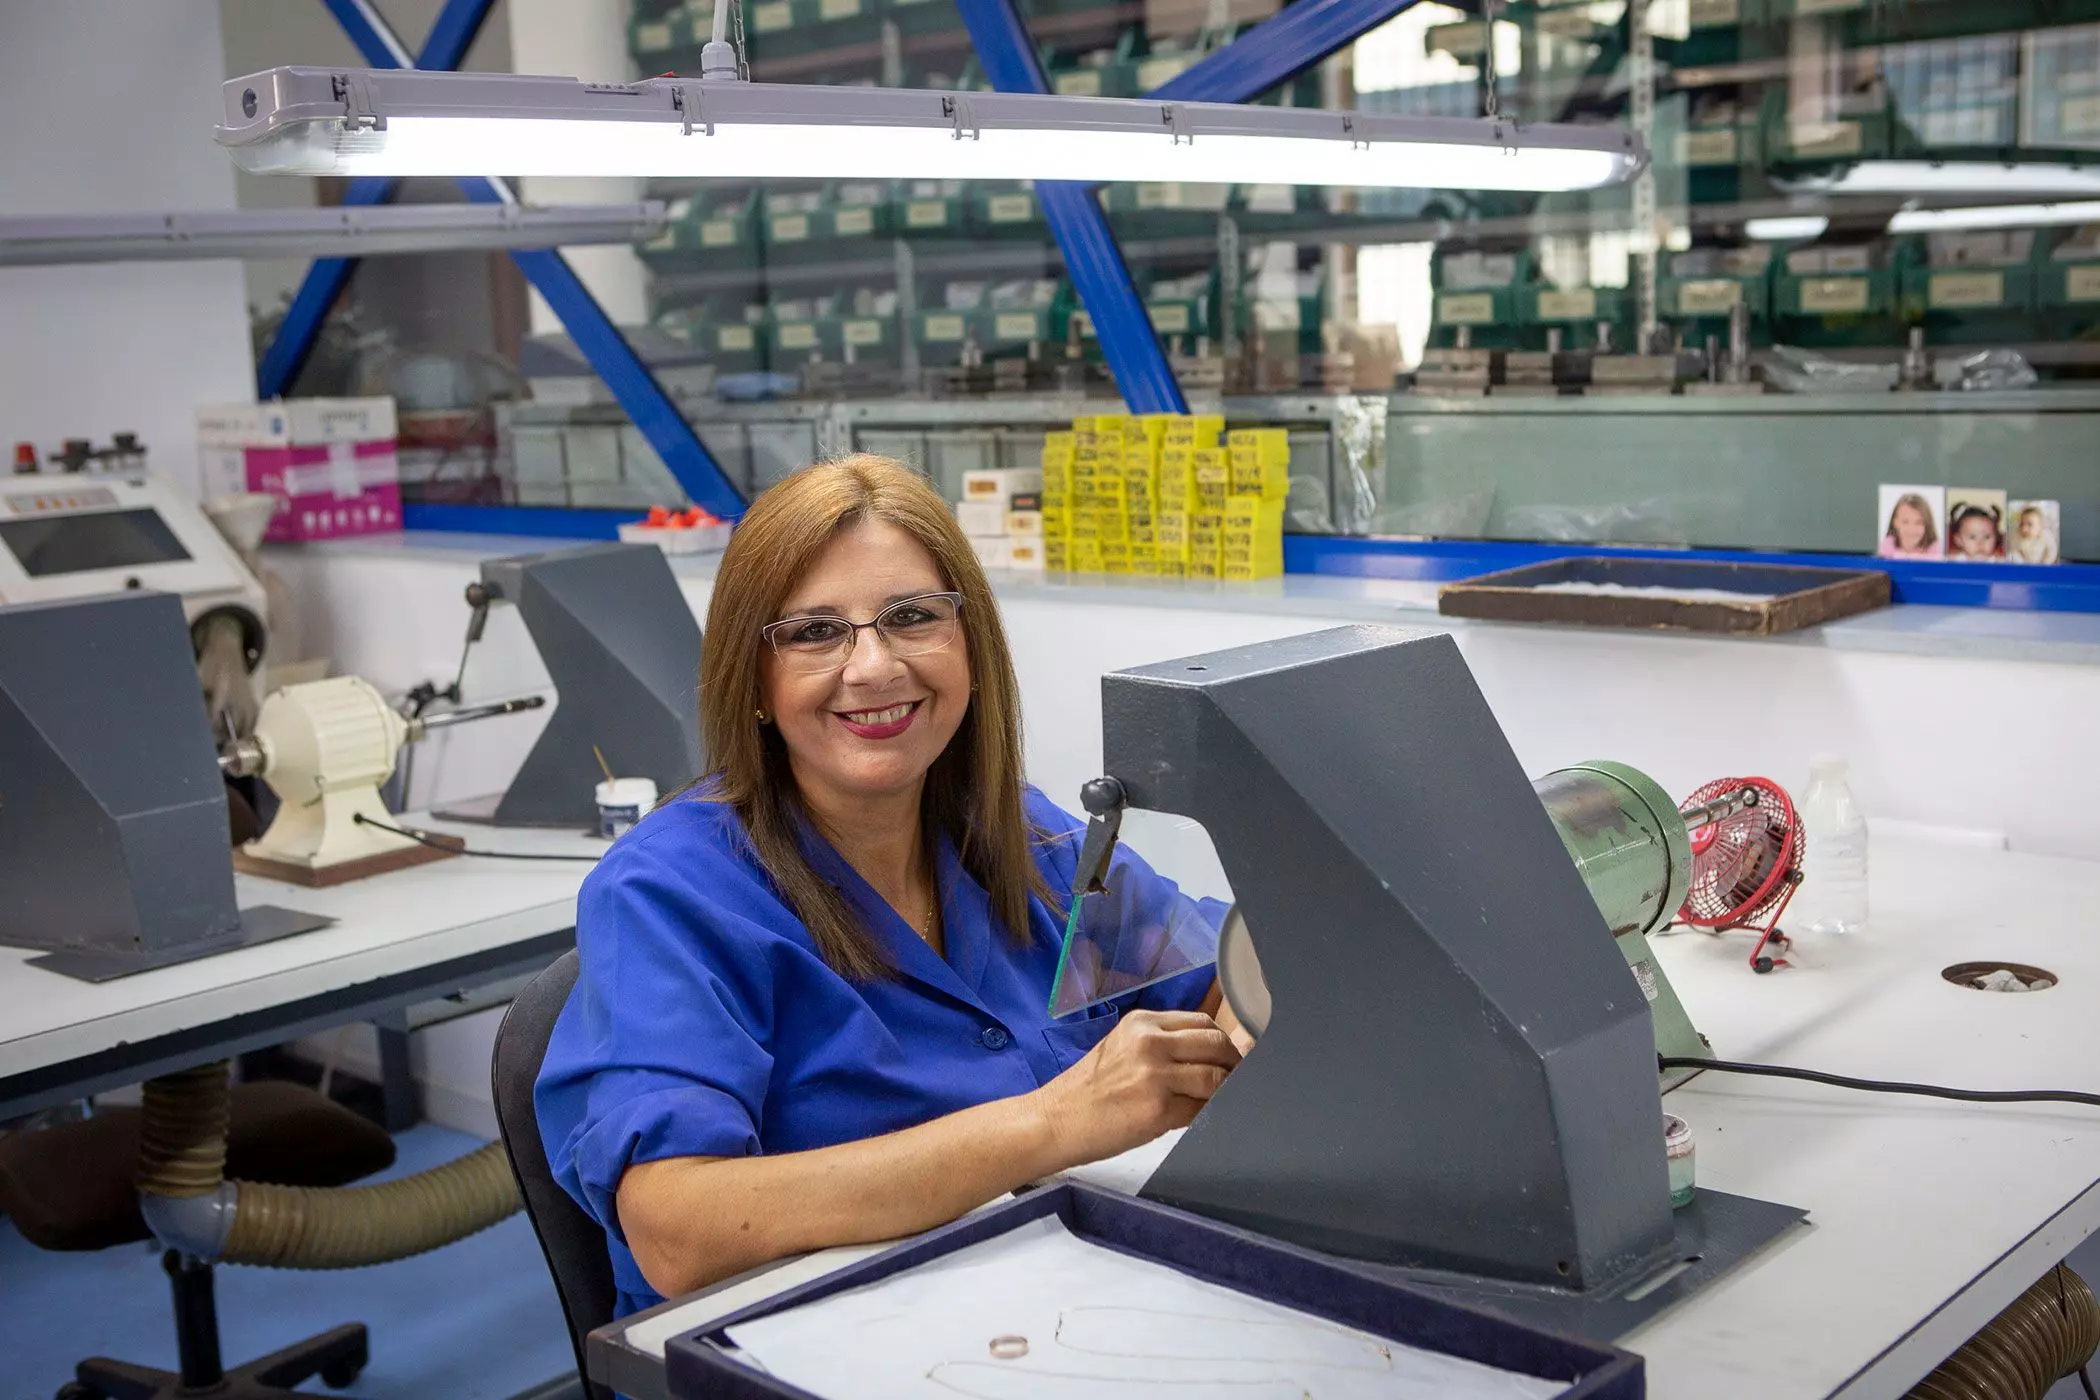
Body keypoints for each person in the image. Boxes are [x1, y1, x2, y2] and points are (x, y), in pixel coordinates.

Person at [536, 456, 1246, 1316]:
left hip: (1037, 1307)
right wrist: (1054, 1124)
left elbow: (1225, 979)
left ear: (968, 643)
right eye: (813, 632)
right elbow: (678, 1231)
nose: (873, 667)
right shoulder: (670, 894)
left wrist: (1252, 1018)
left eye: (912, 617)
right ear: (752, 680)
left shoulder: (1025, 840)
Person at [1878, 492, 1939, 558]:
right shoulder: (1887, 546)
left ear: (1927, 524)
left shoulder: (1935, 549)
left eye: (1919, 522)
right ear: (1895, 522)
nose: (1911, 529)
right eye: (1905, 522)